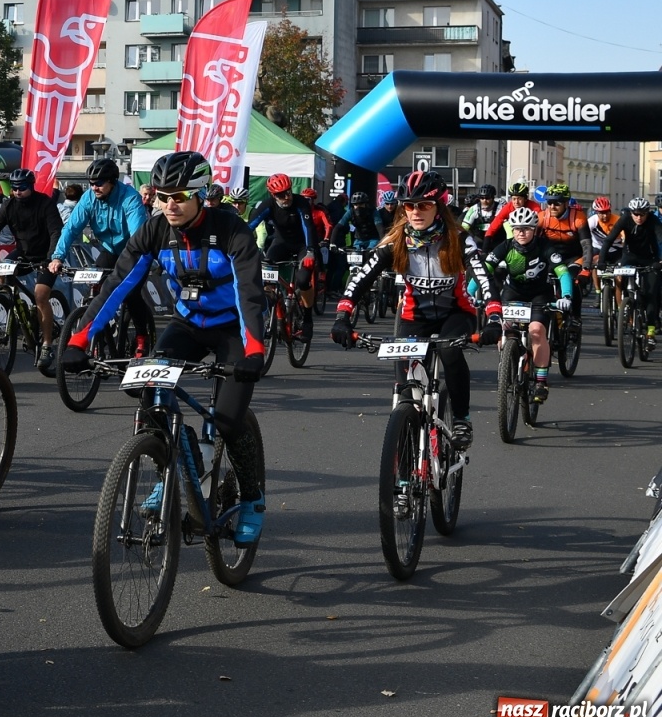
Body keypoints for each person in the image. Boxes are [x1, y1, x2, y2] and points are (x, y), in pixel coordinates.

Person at [61, 151, 269, 544]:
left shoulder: (231, 230)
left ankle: (253, 499)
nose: (169, 204)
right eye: (162, 196)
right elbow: (116, 286)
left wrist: (255, 349)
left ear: (201, 194)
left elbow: (249, 294)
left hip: (233, 331)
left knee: (227, 420)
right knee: (152, 395)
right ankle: (171, 469)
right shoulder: (155, 231)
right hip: (187, 325)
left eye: (179, 196)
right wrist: (79, 339)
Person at [333, 170, 500, 450]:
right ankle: (408, 456)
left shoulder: (458, 239)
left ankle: (461, 417)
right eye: (409, 205)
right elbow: (361, 278)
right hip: (414, 317)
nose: (415, 212)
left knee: (449, 351)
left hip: (455, 314)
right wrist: (342, 316)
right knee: (406, 391)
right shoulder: (396, 240)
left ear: (439, 206)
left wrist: (495, 316)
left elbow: (484, 277)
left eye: (423, 205)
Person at [48, 157, 155, 356]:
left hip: (135, 251)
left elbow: (137, 236)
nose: (94, 188)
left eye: (99, 184)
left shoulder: (130, 198)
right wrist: (58, 257)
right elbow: (71, 228)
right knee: (96, 289)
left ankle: (142, 337)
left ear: (112, 182)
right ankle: (100, 334)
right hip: (110, 250)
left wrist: (131, 265)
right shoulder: (88, 198)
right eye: (91, 184)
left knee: (130, 293)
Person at [484, 208, 573, 404]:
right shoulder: (505, 247)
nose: (521, 233)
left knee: (536, 330)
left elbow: (563, 272)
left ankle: (541, 382)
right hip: (513, 292)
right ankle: (509, 361)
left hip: (540, 295)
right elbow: (483, 272)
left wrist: (566, 296)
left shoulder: (544, 246)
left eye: (525, 229)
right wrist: (471, 293)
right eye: (516, 229)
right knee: (504, 329)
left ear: (534, 230)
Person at [0, 168, 64, 371]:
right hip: (23, 253)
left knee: (41, 295)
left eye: (22, 188)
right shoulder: (9, 205)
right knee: (2, 273)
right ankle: (13, 308)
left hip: (47, 255)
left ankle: (46, 345)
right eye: (14, 188)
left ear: (31, 186)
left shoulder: (45, 203)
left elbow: (55, 232)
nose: (17, 192)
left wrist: (53, 258)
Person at [247, 174, 318, 340]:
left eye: (288, 192)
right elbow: (249, 227)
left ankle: (307, 319)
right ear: (273, 195)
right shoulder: (267, 205)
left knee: (303, 280)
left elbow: (308, 228)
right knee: (266, 275)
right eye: (280, 195)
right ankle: (273, 310)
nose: (286, 197)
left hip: (303, 245)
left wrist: (310, 252)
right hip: (281, 243)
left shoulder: (301, 203)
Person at [597, 198, 661, 338]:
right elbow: (609, 239)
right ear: (631, 212)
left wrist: (659, 261)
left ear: (647, 213)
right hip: (630, 256)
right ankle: (626, 306)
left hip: (649, 258)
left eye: (642, 214)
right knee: (621, 280)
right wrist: (601, 260)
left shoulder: (653, 220)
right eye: (636, 214)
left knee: (651, 293)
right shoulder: (625, 219)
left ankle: (650, 330)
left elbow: (660, 238)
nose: (639, 217)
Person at [537, 183, 593, 318]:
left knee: (573, 282)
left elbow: (586, 245)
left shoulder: (578, 218)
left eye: (557, 203)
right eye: (549, 203)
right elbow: (533, 242)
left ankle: (575, 318)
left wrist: (586, 268)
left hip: (573, 258)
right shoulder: (542, 217)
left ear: (566, 203)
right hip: (552, 258)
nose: (552, 207)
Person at [461, 184, 504, 257]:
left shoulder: (501, 208)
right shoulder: (474, 209)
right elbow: (464, 227)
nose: (484, 201)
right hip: (479, 242)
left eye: (487, 198)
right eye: (482, 198)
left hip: (497, 242)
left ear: (493, 198)